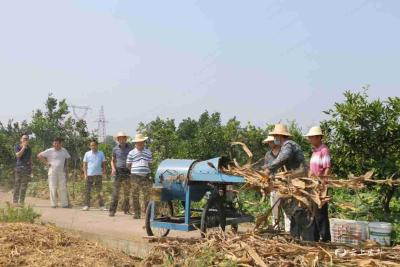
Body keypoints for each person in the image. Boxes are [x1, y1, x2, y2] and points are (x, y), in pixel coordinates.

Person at [265, 124, 318, 241]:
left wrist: (269, 169)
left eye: (275, 136)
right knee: (294, 211)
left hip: (299, 181)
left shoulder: (288, 145)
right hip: (294, 181)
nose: (274, 139)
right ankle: (296, 238)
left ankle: (309, 241)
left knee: (300, 211)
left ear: (280, 136)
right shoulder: (285, 145)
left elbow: (283, 158)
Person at [305, 126, 332, 242]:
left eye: (311, 137)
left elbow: (327, 168)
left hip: (320, 186)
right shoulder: (315, 151)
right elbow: (312, 169)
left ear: (318, 137)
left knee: (321, 213)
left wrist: (323, 184)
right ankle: (315, 238)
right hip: (313, 185)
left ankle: (326, 239)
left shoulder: (324, 150)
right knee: (313, 212)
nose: (310, 139)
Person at [38, 137, 71, 208]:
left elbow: (68, 158)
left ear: (61, 144)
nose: (56, 145)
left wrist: (66, 167)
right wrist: (47, 163)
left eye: (57, 143)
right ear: (53, 143)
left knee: (63, 188)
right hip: (52, 172)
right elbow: (39, 155)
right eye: (54, 143)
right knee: (53, 187)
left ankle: (64, 204)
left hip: (62, 172)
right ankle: (53, 204)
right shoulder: (49, 150)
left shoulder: (64, 150)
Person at [126, 133, 152, 219]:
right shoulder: (131, 152)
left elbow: (149, 163)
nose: (140, 143)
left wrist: (146, 170)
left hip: (146, 175)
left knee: (147, 194)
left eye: (141, 142)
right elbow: (128, 165)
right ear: (135, 143)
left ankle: (147, 214)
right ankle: (137, 213)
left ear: (144, 142)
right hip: (135, 176)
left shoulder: (148, 152)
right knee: (135, 194)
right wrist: (134, 171)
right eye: (138, 142)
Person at [109, 131, 133, 217]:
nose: (121, 140)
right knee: (116, 192)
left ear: (125, 139)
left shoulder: (131, 148)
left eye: (123, 138)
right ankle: (112, 211)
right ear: (118, 140)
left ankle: (126, 209)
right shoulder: (115, 149)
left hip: (128, 171)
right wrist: (113, 169)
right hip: (118, 171)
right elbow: (112, 160)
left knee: (126, 191)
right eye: (120, 138)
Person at [262, 135, 282, 228]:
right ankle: (276, 227)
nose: (270, 144)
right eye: (269, 142)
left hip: (284, 183)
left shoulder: (283, 153)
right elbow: (265, 168)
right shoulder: (267, 155)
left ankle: (289, 229)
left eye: (271, 141)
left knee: (287, 209)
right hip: (272, 184)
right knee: (274, 208)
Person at [82, 139, 107, 211]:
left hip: (98, 174)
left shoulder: (101, 153)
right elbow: (84, 165)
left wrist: (104, 172)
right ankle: (87, 205)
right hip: (89, 175)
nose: (93, 146)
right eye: (92, 145)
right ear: (90, 146)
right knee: (87, 191)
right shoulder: (87, 153)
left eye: (94, 145)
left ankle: (102, 206)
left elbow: (104, 163)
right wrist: (85, 174)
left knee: (99, 191)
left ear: (97, 146)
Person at [13, 134, 32, 206]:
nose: (25, 140)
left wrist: (31, 168)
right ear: (21, 139)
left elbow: (30, 159)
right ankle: (15, 201)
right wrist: (24, 147)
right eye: (24, 138)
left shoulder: (29, 148)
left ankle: (21, 202)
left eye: (27, 139)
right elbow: (18, 155)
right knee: (17, 185)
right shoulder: (17, 146)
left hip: (26, 169)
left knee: (24, 186)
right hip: (19, 168)